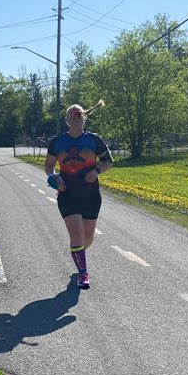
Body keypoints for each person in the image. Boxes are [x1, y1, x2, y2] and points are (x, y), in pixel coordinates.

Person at [44, 100, 113, 289]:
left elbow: (108, 162)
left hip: (91, 195)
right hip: (68, 194)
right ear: (67, 120)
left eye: (79, 115)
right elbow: (48, 165)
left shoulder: (94, 140)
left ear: (84, 118)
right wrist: (53, 177)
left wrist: (97, 171)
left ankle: (78, 255)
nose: (76, 119)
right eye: (72, 116)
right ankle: (83, 274)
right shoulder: (57, 142)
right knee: (76, 234)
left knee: (87, 237)